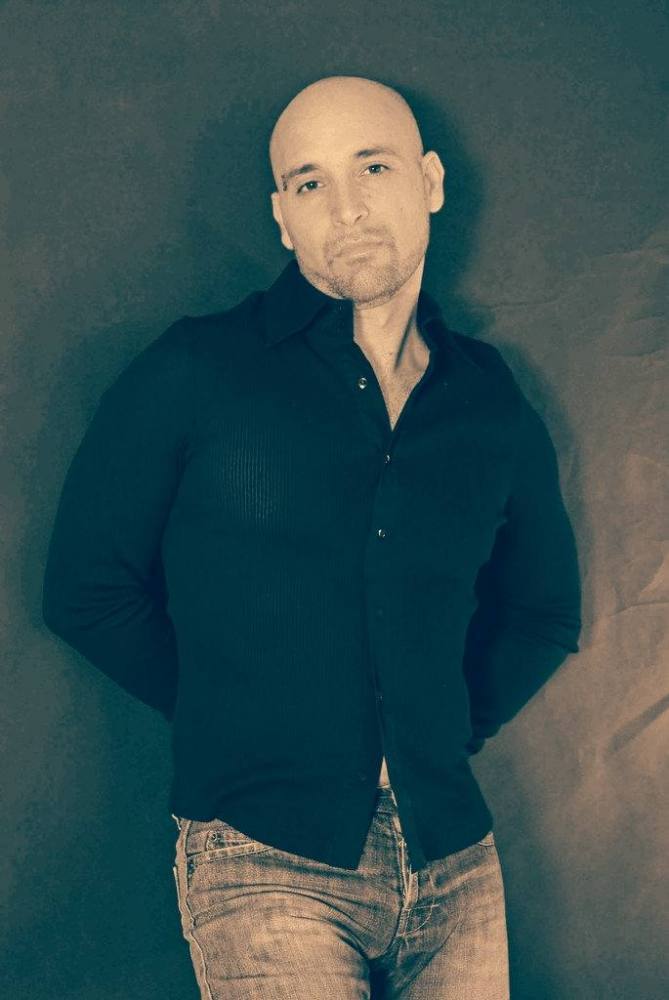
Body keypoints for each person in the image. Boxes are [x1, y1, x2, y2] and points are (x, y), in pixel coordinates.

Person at [42, 74, 582, 999]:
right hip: (261, 858)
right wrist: (237, 716)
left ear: (430, 182)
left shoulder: (486, 397)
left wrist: (436, 725)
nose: (346, 206)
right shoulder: (196, 368)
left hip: (455, 862)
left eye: (372, 167)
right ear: (282, 218)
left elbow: (542, 611)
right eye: (309, 182)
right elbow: (85, 590)